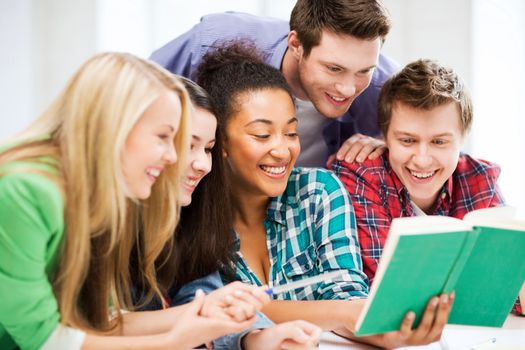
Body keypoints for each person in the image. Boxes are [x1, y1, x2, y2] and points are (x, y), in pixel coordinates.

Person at [0, 52, 272, 350]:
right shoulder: (25, 192)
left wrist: (205, 310)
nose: (171, 156)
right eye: (164, 137)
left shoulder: (103, 200)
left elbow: (101, 320)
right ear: (115, 127)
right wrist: (172, 342)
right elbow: (44, 340)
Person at [195, 41, 453, 348]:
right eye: (262, 135)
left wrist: (386, 333)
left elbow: (347, 297)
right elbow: (213, 311)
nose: (282, 150)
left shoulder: (319, 192)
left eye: (291, 133)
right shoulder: (194, 219)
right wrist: (341, 314)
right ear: (219, 140)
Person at [133, 76, 322, 350]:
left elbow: (199, 294)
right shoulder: (101, 224)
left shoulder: (186, 218)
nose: (202, 165)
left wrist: (258, 338)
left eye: (207, 149)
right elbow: (98, 328)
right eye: (187, 145)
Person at [151, 0, 399, 168]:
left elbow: (431, 135)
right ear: (296, 45)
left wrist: (392, 144)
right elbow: (132, 101)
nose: (347, 88)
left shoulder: (384, 84)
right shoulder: (214, 42)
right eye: (334, 69)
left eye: (364, 71)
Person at [332, 59, 506, 284]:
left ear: (462, 139)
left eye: (439, 142)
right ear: (384, 137)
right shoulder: (363, 177)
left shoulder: (480, 178)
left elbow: (511, 282)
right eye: (407, 140)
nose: (422, 160)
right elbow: (389, 284)